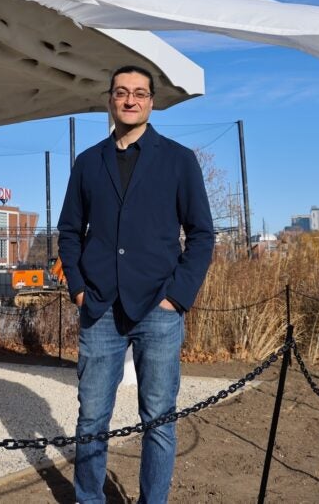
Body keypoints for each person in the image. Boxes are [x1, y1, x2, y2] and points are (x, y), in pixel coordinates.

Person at [57, 65, 215, 503]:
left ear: (151, 101)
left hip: (158, 308)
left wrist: (177, 297)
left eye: (140, 93)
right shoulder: (89, 162)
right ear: (110, 99)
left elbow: (201, 234)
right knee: (91, 419)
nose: (130, 100)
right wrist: (78, 287)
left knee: (159, 420)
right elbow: (69, 231)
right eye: (122, 92)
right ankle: (90, 499)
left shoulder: (179, 159)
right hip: (100, 306)